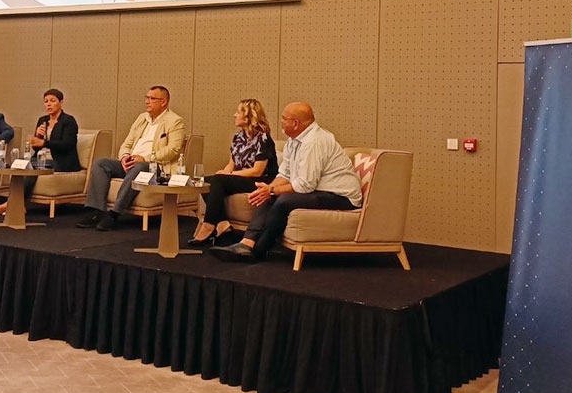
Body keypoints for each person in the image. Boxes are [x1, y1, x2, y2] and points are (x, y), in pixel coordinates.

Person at [209, 102, 362, 262]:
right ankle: (246, 244)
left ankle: (258, 252)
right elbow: (285, 174)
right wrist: (268, 189)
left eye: (284, 119)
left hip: (341, 196)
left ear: (295, 123)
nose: (281, 122)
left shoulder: (314, 142)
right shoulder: (293, 141)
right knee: (268, 195)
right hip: (319, 190)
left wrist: (272, 190)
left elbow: (305, 185)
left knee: (283, 201)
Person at [76, 85, 185, 230]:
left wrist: (145, 158)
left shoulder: (175, 121)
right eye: (146, 97)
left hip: (155, 167)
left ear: (163, 102)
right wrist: (125, 157)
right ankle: (97, 211)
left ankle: (114, 214)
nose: (147, 101)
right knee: (101, 163)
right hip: (132, 162)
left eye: (152, 98)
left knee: (140, 167)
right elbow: (127, 143)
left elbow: (173, 150)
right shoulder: (142, 118)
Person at [188, 98, 278, 247]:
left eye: (238, 112)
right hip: (242, 177)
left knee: (219, 180)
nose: (234, 115)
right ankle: (223, 224)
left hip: (261, 180)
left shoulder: (263, 138)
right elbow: (231, 164)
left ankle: (209, 225)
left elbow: (257, 171)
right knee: (205, 181)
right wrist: (224, 172)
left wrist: (228, 175)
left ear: (248, 116)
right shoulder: (238, 137)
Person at [0, 88, 81, 216]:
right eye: (46, 101)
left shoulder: (68, 121)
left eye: (52, 101)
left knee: (33, 166)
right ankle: (18, 205)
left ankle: (11, 204)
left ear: (61, 102)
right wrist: (38, 137)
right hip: (42, 158)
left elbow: (67, 145)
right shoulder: (43, 120)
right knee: (20, 165)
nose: (48, 104)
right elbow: (36, 149)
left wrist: (44, 142)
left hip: (62, 161)